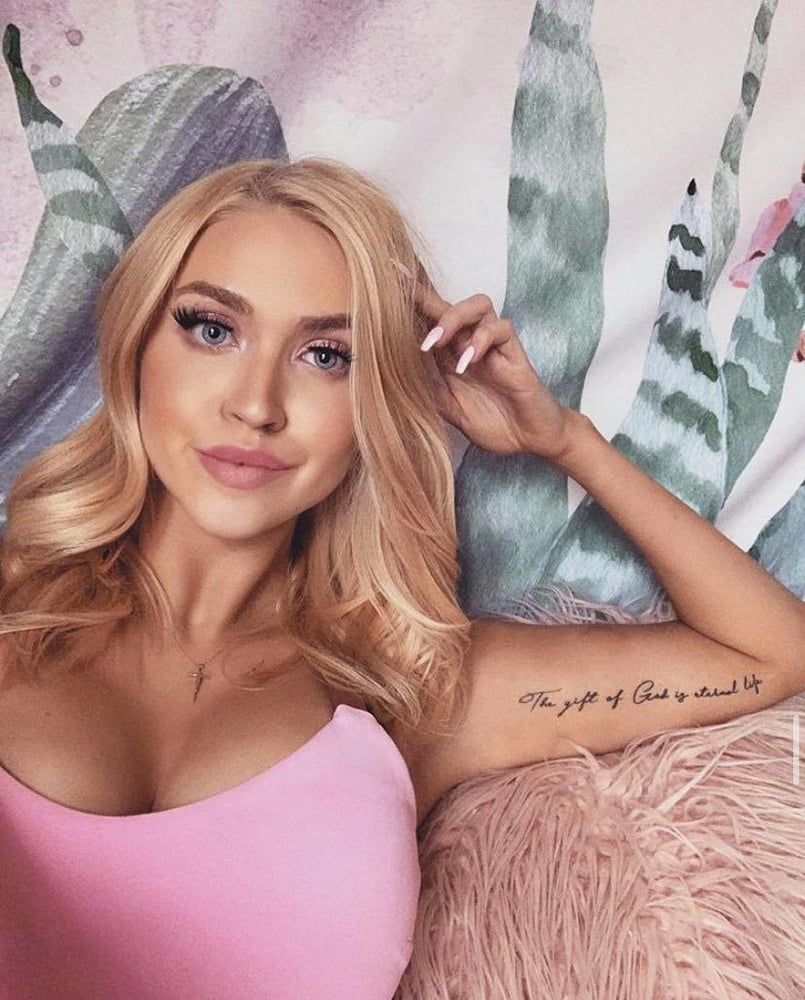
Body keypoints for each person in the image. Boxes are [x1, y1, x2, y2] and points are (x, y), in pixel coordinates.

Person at [0, 157, 802, 1000]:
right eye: (211, 330)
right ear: (136, 346)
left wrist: (564, 440)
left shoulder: (407, 686)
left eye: (325, 354)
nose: (256, 404)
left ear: (376, 398)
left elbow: (768, 653)